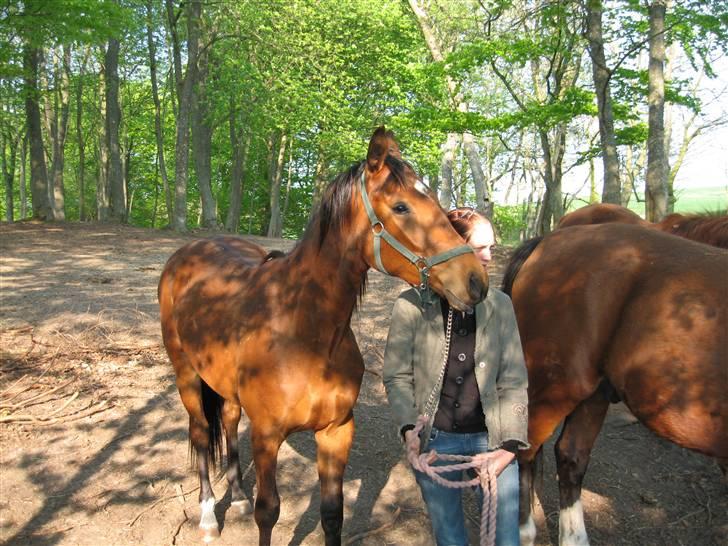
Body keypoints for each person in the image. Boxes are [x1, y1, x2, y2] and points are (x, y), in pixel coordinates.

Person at [383, 207, 529, 546]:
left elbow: (514, 380)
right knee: (449, 537)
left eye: (491, 247)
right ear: (452, 247)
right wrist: (409, 430)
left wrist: (508, 448)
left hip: (492, 441)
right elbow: (397, 376)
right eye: (481, 248)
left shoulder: (501, 305)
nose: (490, 257)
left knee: (507, 540)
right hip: (437, 442)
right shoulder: (411, 306)